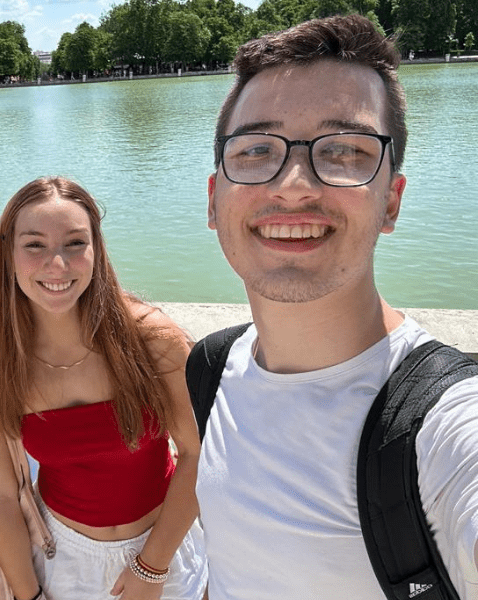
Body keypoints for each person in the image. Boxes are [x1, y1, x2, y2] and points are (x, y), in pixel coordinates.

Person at [199, 14, 478, 599]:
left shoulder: (445, 425)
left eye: (345, 151)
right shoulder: (209, 369)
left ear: (391, 202)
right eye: (255, 150)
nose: (294, 184)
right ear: (214, 195)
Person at [0, 177, 207, 600]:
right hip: (63, 558)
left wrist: (152, 567)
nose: (57, 264)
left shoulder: (152, 339)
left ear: (97, 247)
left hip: (164, 545)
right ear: (9, 254)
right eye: (34, 245)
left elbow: (198, 455)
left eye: (75, 243)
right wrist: (29, 594)